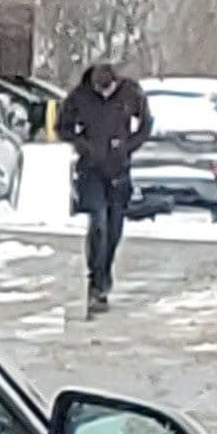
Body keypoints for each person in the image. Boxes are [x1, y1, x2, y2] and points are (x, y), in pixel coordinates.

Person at [62, 59, 151, 314]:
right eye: (99, 90)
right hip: (91, 169)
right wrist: (83, 145)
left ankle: (105, 272)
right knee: (98, 222)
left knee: (114, 228)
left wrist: (128, 146)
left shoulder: (130, 93)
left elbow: (146, 125)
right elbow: (63, 127)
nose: (103, 94)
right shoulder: (80, 96)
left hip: (119, 169)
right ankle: (96, 283)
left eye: (108, 89)